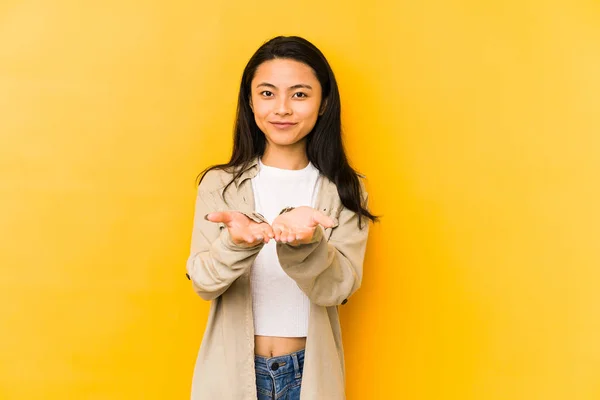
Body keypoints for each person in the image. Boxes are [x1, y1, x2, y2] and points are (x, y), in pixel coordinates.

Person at [185, 35, 376, 400]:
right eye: (268, 93)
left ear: (323, 104)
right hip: (232, 374)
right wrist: (235, 244)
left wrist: (309, 244)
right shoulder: (220, 186)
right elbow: (204, 283)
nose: (282, 108)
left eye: (300, 94)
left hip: (307, 373)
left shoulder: (344, 190)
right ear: (250, 101)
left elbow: (340, 289)